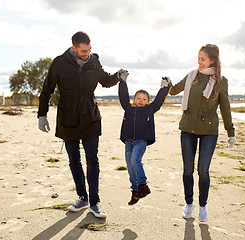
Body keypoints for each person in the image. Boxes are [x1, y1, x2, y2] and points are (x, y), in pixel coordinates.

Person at [37, 31, 128, 219]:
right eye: (83, 51)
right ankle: (82, 197)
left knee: (92, 159)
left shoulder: (94, 62)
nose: (87, 54)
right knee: (74, 160)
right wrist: (42, 115)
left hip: (90, 118)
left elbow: (105, 81)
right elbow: (47, 90)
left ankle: (95, 202)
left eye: (89, 50)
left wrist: (118, 76)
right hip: (67, 119)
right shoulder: (59, 63)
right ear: (74, 48)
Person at [166, 44, 237, 221]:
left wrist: (231, 131)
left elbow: (225, 107)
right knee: (188, 170)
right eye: (198, 58)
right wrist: (166, 84)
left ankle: (203, 206)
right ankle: (189, 204)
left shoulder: (221, 81)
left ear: (212, 60)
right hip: (187, 128)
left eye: (202, 59)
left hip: (209, 132)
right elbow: (174, 90)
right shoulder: (192, 75)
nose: (199, 62)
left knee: (203, 171)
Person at [118, 73, 171, 205]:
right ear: (134, 99)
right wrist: (122, 82)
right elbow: (123, 96)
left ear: (147, 101)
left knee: (135, 161)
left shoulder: (149, 109)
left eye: (144, 98)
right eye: (138, 98)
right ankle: (135, 192)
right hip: (128, 140)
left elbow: (159, 100)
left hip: (141, 140)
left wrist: (164, 87)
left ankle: (143, 186)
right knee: (130, 167)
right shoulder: (128, 108)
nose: (141, 100)